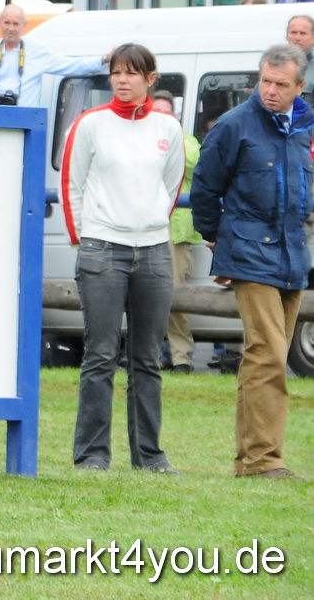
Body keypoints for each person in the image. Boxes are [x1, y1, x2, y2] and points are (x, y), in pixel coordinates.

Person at [191, 43, 314, 479]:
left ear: (301, 86)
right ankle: (266, 460)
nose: (270, 90)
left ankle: (250, 460)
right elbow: (204, 188)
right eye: (265, 81)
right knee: (268, 352)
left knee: (265, 356)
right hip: (249, 251)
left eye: (281, 84)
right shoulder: (233, 125)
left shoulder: (303, 128)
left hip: (293, 252)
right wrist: (217, 239)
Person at [60, 43, 184, 473]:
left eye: (132, 73)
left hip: (152, 251)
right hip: (102, 248)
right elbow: (71, 183)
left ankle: (149, 455)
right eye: (116, 72)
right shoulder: (90, 124)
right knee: (100, 354)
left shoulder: (167, 127)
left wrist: (149, 225)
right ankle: (92, 454)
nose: (122, 80)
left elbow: (170, 188)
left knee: (147, 358)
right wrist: (85, 239)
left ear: (151, 79)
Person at [151, 90, 203, 374]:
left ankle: (181, 358)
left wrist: (167, 139)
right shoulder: (139, 138)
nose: (161, 117)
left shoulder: (187, 141)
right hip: (144, 229)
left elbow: (193, 163)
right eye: (155, 111)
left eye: (166, 113)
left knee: (175, 299)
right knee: (143, 299)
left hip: (174, 234)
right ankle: (152, 356)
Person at [0, 4, 108, 107]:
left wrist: (103, 60)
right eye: (7, 23)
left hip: (25, 123)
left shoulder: (37, 50)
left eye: (16, 24)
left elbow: (71, 65)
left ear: (24, 25)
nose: (11, 28)